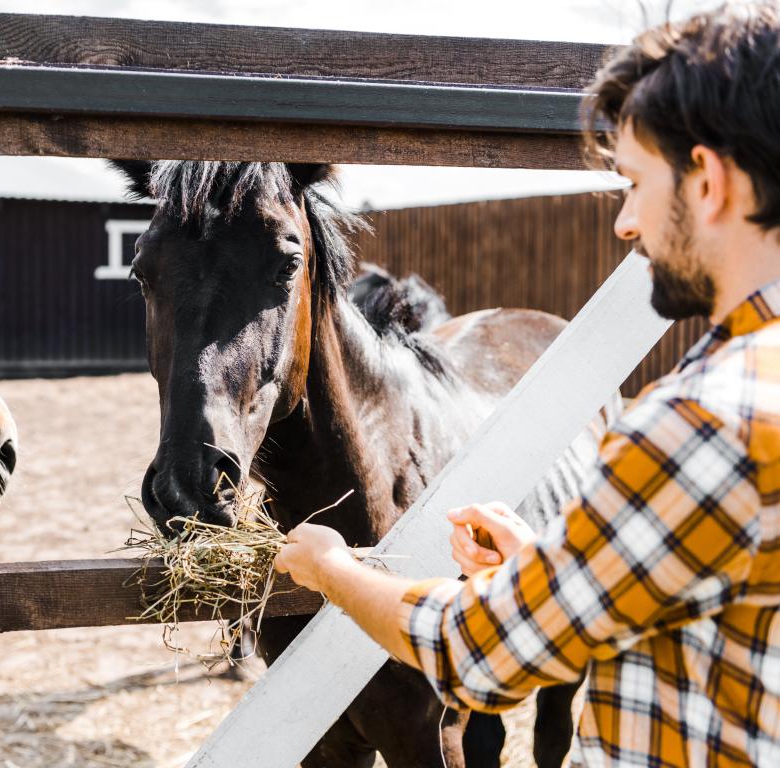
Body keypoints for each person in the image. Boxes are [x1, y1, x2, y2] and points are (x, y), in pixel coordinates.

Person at [273, 5, 780, 766]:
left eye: (636, 185)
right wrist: (553, 563)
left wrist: (331, 568)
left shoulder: (701, 421)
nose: (626, 225)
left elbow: (481, 653)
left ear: (705, 181)